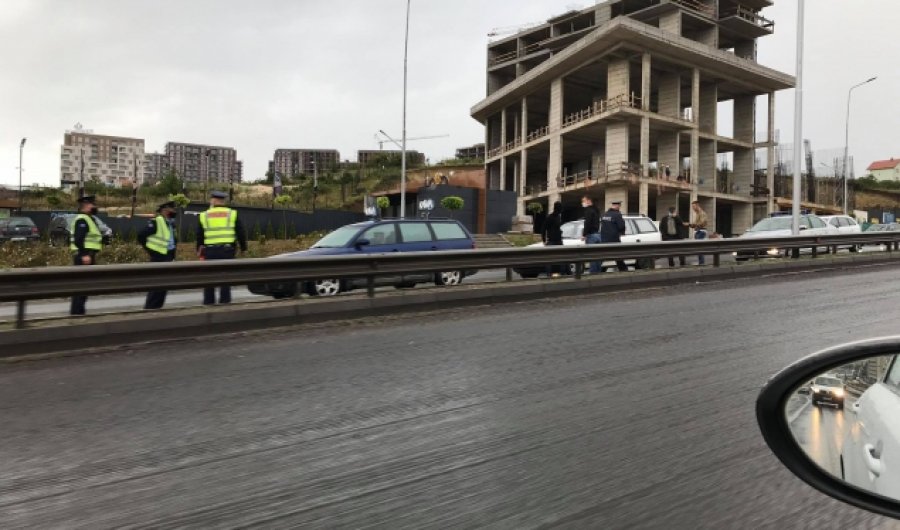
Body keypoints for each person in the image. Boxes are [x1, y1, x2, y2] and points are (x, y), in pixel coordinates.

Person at [197, 190, 247, 305]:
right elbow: (241, 232)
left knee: (209, 280)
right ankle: (225, 304)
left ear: (213, 200)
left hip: (210, 252)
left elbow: (200, 235)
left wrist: (198, 249)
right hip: (227, 251)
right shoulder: (232, 213)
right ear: (223, 201)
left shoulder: (204, 215)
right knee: (226, 279)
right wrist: (243, 248)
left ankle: (209, 303)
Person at [139, 201, 178, 310]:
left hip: (168, 257)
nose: (174, 211)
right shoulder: (157, 222)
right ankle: (149, 309)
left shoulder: (171, 223)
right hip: (158, 257)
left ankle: (157, 308)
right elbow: (141, 236)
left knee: (164, 286)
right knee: (156, 285)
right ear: (165, 210)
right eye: (172, 208)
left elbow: (172, 241)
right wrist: (151, 251)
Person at [69, 195, 103, 316]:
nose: (95, 206)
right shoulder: (82, 219)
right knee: (81, 287)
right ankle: (77, 313)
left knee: (85, 287)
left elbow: (91, 237)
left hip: (88, 255)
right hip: (83, 257)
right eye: (93, 204)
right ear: (86, 205)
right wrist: (84, 255)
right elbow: (79, 239)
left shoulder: (89, 219)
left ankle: (79, 312)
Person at [600, 200, 628, 272]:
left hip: (603, 239)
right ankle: (623, 269)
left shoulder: (604, 214)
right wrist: (622, 232)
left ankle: (596, 270)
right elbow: (621, 226)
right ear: (617, 206)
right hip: (614, 239)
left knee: (602, 256)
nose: (619, 207)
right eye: (619, 206)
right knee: (618, 255)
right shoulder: (617, 214)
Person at [581, 195, 602, 274]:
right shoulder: (596, 210)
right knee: (597, 256)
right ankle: (597, 273)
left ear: (589, 201)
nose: (582, 203)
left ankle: (592, 274)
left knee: (592, 256)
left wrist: (584, 234)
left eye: (583, 201)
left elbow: (587, 223)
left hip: (591, 236)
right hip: (598, 235)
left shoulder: (588, 210)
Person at [542, 201, 564, 277]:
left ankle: (561, 273)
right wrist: (544, 240)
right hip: (552, 241)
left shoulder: (558, 217)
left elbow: (557, 228)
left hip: (558, 240)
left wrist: (560, 232)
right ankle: (549, 275)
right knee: (549, 259)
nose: (561, 210)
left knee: (562, 258)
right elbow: (543, 229)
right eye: (560, 208)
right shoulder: (550, 217)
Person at [688, 200, 710, 265]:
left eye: (693, 206)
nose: (693, 208)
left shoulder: (702, 213)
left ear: (697, 205)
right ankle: (701, 262)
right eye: (692, 207)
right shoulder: (698, 213)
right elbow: (696, 224)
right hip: (698, 231)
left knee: (699, 247)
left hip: (701, 231)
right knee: (698, 248)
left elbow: (702, 223)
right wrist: (690, 225)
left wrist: (693, 225)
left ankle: (701, 263)